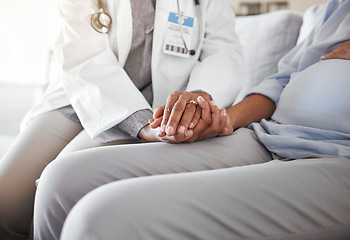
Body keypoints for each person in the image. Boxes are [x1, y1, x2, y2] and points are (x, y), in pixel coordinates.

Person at [32, 0, 350, 239]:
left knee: (98, 218)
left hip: (341, 152)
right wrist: (222, 121)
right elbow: (281, 80)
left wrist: (202, 102)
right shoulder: (339, 8)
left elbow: (224, 55)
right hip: (262, 133)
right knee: (62, 179)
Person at [0, 0, 244, 239]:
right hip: (82, 92)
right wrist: (141, 124)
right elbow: (82, 56)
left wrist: (200, 97)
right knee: (5, 201)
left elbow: (224, 52)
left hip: (159, 108)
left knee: (58, 186)